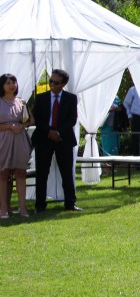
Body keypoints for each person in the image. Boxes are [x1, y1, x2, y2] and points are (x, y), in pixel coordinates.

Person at [31, 69, 81, 211]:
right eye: (50, 81)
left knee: (66, 172)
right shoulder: (41, 98)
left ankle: (70, 203)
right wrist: (49, 131)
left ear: (63, 84)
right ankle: (40, 205)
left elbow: (72, 119)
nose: (52, 84)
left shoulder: (71, 98)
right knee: (42, 173)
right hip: (44, 138)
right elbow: (38, 119)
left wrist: (58, 132)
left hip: (63, 139)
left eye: (55, 82)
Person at [0, 74, 34, 218]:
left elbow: (30, 121)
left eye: (14, 82)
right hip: (3, 140)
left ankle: (22, 207)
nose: (11, 85)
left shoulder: (21, 102)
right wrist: (9, 127)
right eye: (8, 83)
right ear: (2, 85)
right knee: (3, 174)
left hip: (19, 139)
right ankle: (3, 209)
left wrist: (22, 125)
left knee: (21, 173)